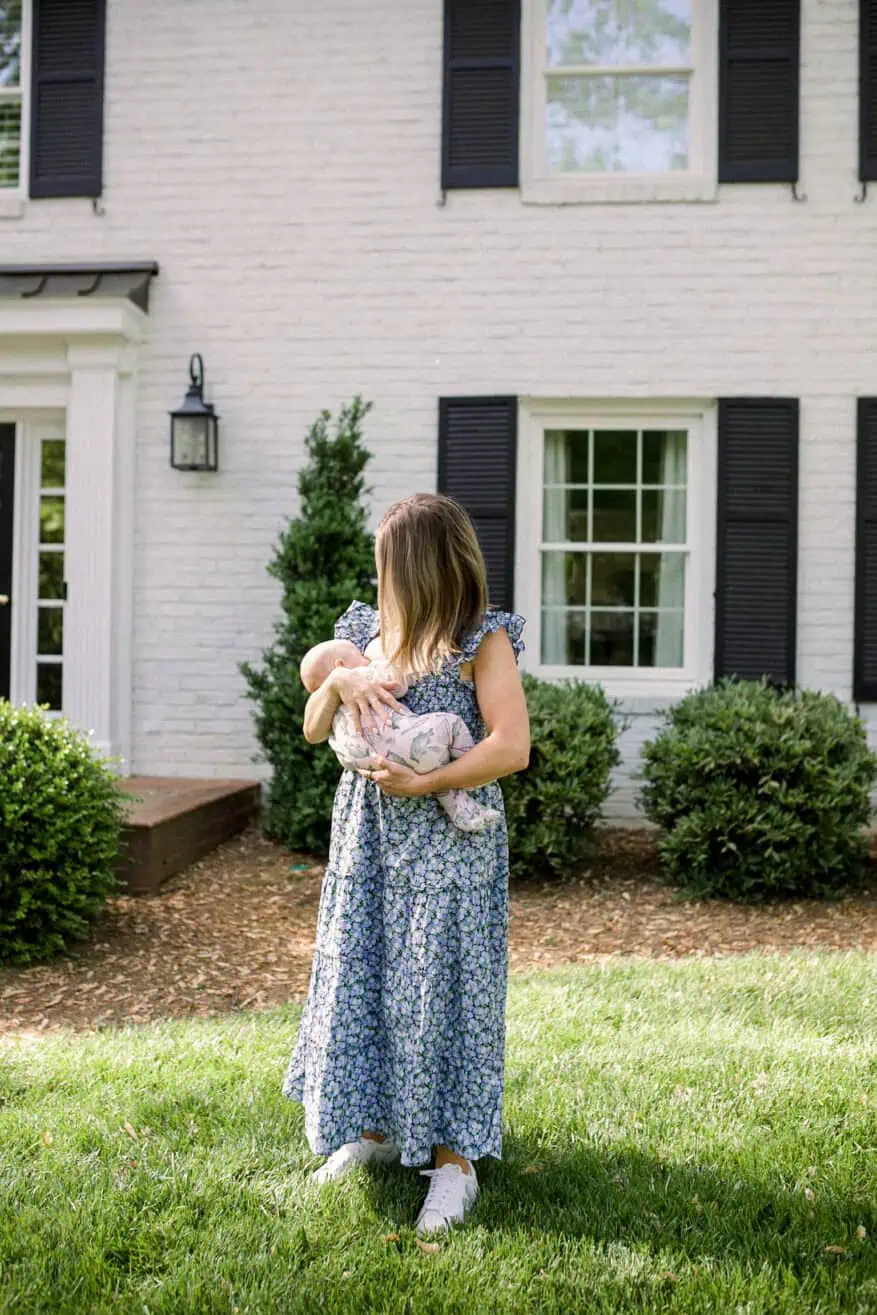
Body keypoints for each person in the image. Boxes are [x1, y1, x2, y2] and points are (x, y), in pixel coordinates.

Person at [282, 492, 530, 1236]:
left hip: (447, 849)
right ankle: (374, 1132)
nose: (377, 570)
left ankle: (454, 1164)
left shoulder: (480, 641)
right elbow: (309, 726)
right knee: (366, 976)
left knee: (443, 991)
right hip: (370, 844)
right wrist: (337, 682)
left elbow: (509, 746)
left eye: (387, 559)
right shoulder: (364, 635)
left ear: (419, 565)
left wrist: (426, 780)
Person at [300, 637, 502, 833]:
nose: (365, 658)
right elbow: (398, 685)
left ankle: (459, 808)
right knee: (451, 724)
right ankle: (467, 769)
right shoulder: (363, 673)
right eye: (361, 656)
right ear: (341, 664)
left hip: (373, 763)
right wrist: (381, 663)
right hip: (412, 745)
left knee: (432, 765)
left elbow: (318, 733)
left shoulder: (332, 709)